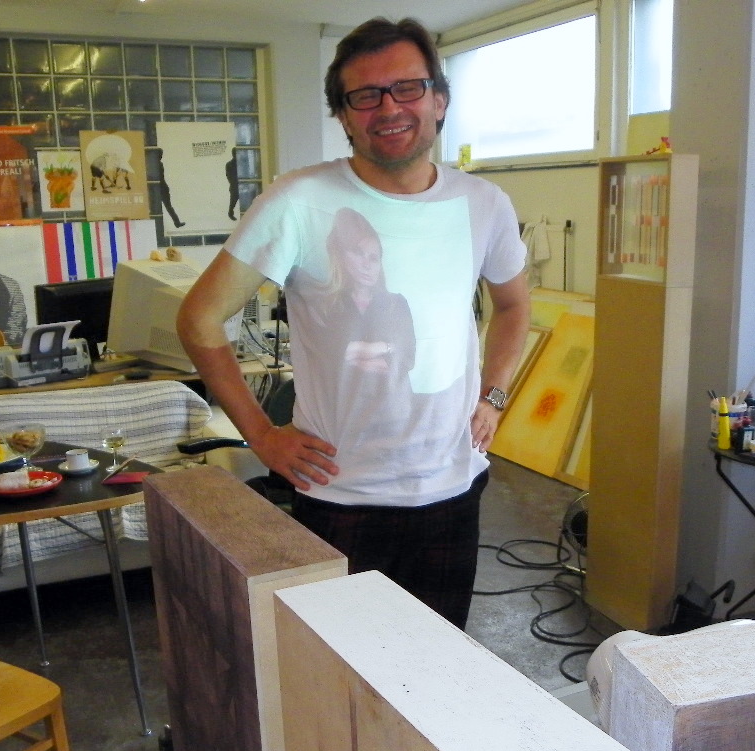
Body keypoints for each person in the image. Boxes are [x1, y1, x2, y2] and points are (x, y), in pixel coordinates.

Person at [177, 17, 530, 628]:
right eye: (364, 96)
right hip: (342, 496)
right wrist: (261, 436)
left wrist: (494, 396)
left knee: (440, 661)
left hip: (453, 486)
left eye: (408, 87)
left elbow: (515, 305)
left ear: (439, 100)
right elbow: (200, 318)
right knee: (337, 671)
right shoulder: (298, 201)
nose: (388, 108)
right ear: (343, 116)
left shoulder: (484, 204)